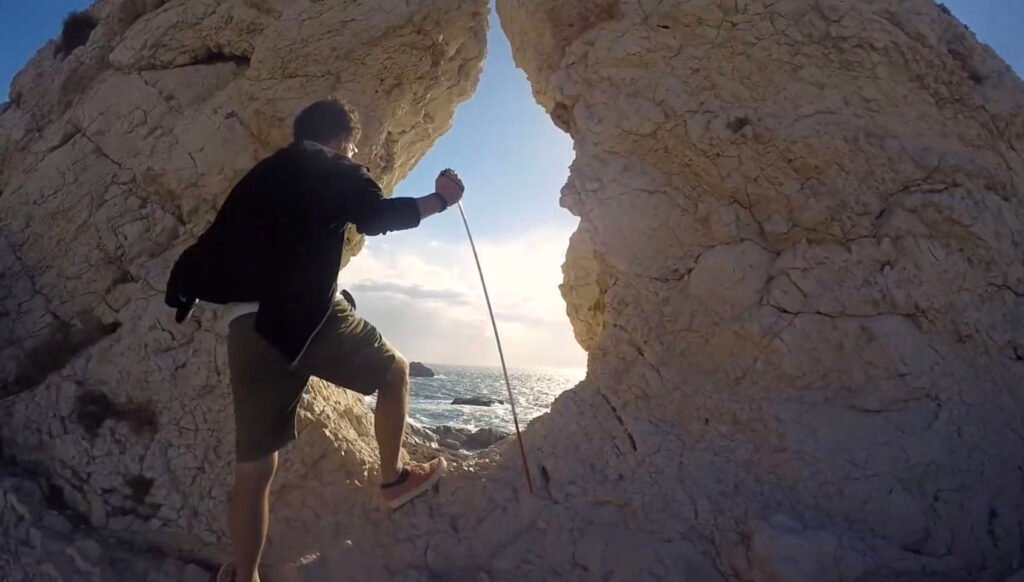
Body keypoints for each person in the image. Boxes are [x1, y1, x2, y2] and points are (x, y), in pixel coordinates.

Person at [164, 98, 465, 582]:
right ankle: (392, 481)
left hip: (244, 329)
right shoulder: (334, 169)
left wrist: (184, 292)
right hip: (303, 319)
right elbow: (374, 217)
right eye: (351, 144)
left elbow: (212, 244)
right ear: (342, 139)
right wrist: (440, 200)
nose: (353, 150)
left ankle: (245, 574)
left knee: (255, 468)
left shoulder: (261, 176)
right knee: (396, 371)